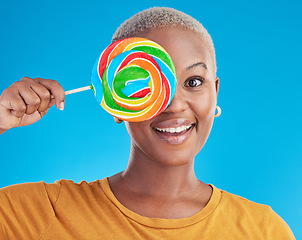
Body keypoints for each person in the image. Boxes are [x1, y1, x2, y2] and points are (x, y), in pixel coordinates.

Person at [0, 7, 295, 240]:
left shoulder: (264, 230)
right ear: (114, 103)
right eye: (145, 82)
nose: (175, 104)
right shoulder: (38, 214)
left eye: (193, 82)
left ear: (214, 92)